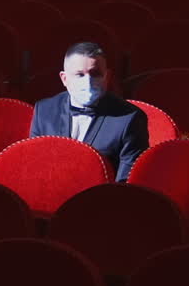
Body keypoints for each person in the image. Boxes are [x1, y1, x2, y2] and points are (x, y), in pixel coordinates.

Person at [29, 40, 149, 182]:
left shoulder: (130, 119)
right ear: (64, 78)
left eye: (95, 74)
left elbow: (125, 183)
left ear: (107, 77)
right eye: (80, 74)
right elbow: (36, 168)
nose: (88, 82)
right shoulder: (44, 110)